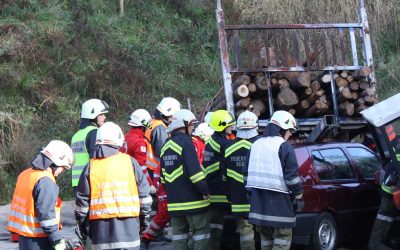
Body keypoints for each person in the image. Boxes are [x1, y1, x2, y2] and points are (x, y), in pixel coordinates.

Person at [75, 122, 152, 250]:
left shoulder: (91, 166)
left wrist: (83, 229)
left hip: (101, 233)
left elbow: (82, 205)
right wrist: (144, 222)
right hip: (130, 230)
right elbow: (144, 198)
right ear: (119, 141)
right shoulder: (130, 162)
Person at [245, 110, 303, 250]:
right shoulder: (284, 146)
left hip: (259, 204)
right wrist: (299, 193)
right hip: (280, 205)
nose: (289, 135)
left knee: (265, 241)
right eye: (289, 131)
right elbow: (291, 177)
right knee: (282, 240)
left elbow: (246, 176)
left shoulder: (255, 145)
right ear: (282, 129)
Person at [8, 140, 74, 250]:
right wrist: (56, 238)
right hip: (39, 240)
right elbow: (46, 214)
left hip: (24, 237)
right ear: (55, 163)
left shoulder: (25, 174)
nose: (62, 170)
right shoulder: (46, 182)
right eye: (63, 167)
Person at [160, 109, 211, 250]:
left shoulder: (166, 145)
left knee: (179, 236)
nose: (193, 128)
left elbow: (163, 178)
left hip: (175, 204)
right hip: (194, 203)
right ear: (184, 125)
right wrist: (205, 191)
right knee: (201, 233)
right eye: (191, 125)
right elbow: (195, 174)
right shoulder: (187, 143)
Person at [142, 97, 181, 247]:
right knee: (160, 205)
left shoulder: (153, 124)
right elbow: (164, 151)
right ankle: (154, 234)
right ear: (167, 114)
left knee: (157, 205)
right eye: (173, 116)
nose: (174, 119)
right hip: (155, 171)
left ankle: (154, 233)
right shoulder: (160, 128)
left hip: (151, 170)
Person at [222, 111, 260, 250]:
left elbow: (224, 176)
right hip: (259, 198)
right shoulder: (259, 145)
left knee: (245, 232)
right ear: (255, 127)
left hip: (238, 199)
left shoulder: (228, 146)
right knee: (266, 232)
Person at [203, 109, 236, 250]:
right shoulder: (224, 144)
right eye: (230, 124)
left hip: (212, 191)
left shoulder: (211, 142)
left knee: (214, 229)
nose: (232, 127)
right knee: (216, 230)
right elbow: (228, 168)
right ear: (222, 125)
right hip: (221, 193)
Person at [71, 98, 109, 192]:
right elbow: (96, 159)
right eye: (101, 114)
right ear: (93, 114)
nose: (104, 117)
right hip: (90, 182)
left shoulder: (76, 135)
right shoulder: (94, 132)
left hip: (77, 183)